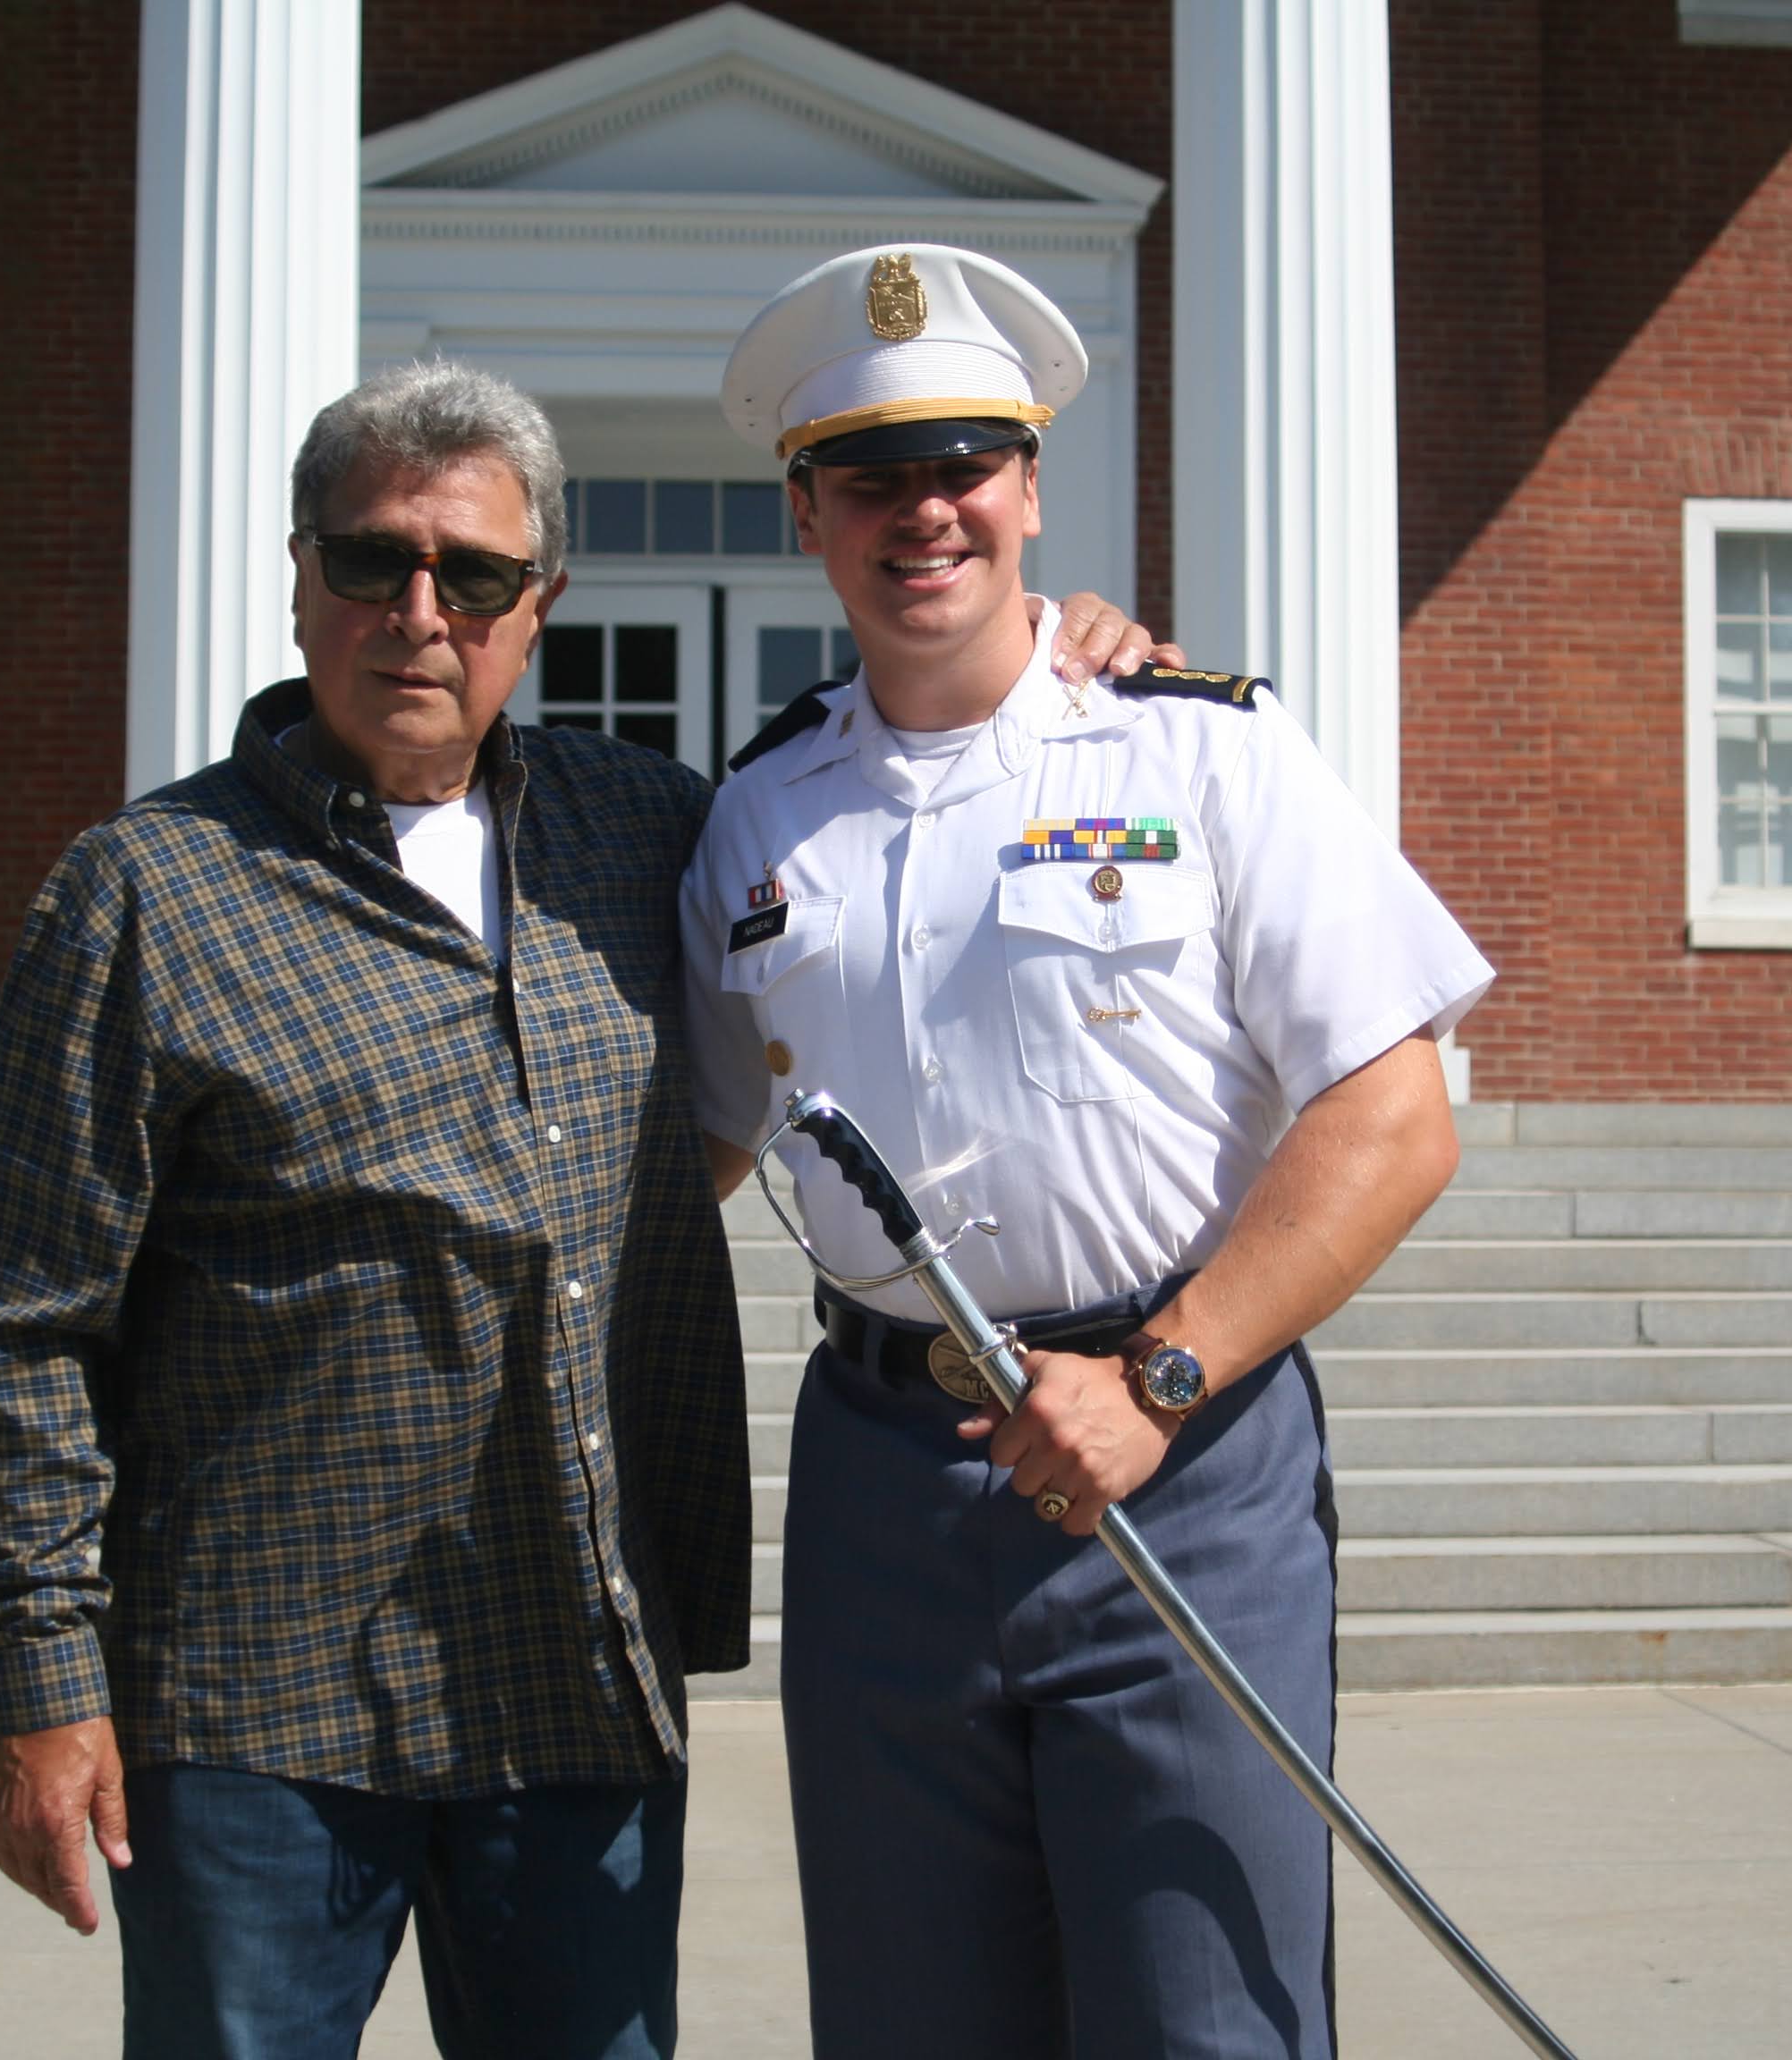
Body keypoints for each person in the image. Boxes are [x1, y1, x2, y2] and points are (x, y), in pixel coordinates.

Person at [0, 355, 1172, 2060]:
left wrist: (1074, 661)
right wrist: (41, 1680)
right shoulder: (144, 893)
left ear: (542, 607)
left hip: (569, 1674)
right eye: (372, 563)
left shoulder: (655, 832)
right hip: (252, 1701)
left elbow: (900, 776)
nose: (419, 614)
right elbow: (18, 1319)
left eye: (476, 577)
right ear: (302, 581)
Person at [683, 247, 1496, 2059]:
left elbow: (1395, 1107)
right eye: (873, 475)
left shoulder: (1207, 750)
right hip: (886, 1486)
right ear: (809, 513)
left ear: (1032, 487)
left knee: (1205, 2019)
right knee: (911, 2028)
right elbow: (697, 1151)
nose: (929, 511)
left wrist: (1165, 1375)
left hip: (1182, 1463)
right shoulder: (753, 816)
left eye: (968, 460)